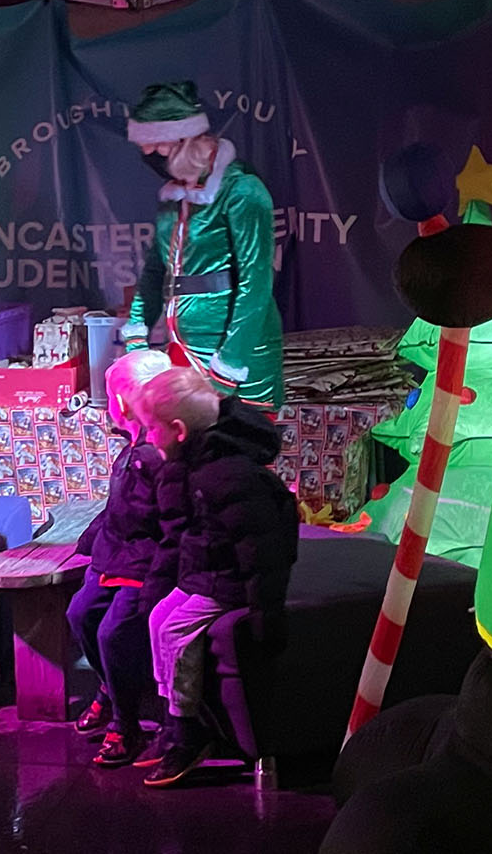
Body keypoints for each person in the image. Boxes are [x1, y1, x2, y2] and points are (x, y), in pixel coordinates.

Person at [136, 368, 298, 787]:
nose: (148, 438)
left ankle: (188, 731)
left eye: (151, 429)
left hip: (228, 581)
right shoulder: (193, 462)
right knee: (158, 619)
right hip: (206, 571)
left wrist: (266, 611)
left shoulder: (226, 475)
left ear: (178, 430)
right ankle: (172, 718)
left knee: (174, 631)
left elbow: (260, 547)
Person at [123, 81, 285, 410]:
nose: (148, 157)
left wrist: (228, 367)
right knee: (191, 452)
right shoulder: (173, 197)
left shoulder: (242, 192)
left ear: (185, 141)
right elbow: (156, 269)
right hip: (182, 352)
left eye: (157, 147)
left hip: (237, 360)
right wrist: (137, 336)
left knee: (237, 453)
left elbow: (255, 283)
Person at [65, 349, 175, 766]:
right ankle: (110, 688)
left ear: (124, 402)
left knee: (114, 632)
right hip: (116, 552)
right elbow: (118, 509)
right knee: (81, 613)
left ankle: (127, 724)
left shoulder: (156, 454)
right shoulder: (132, 447)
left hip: (144, 561)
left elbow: (153, 518)